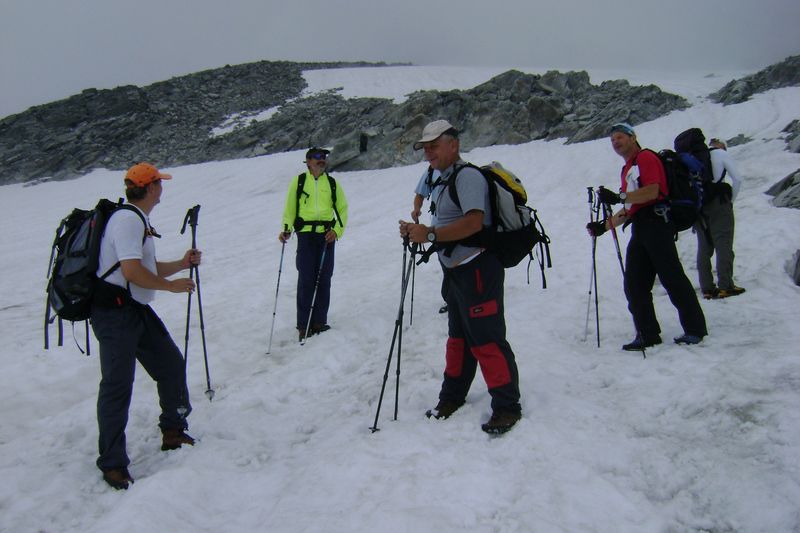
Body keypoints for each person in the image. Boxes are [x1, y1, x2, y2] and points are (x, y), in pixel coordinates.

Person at [398, 119, 522, 434]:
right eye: (425, 147)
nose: (428, 153)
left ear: (453, 144)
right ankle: (452, 396)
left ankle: (507, 406)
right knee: (459, 339)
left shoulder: (466, 177)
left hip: (478, 269)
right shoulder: (441, 178)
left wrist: (429, 234)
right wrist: (419, 232)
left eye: (434, 145)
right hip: (455, 271)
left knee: (486, 339)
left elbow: (473, 224)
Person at [91, 162, 200, 490]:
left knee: (170, 364)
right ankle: (112, 463)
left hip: (133, 309)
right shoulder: (126, 220)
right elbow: (131, 271)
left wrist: (181, 264)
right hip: (115, 314)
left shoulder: (135, 218)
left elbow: (144, 267)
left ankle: (173, 430)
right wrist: (172, 286)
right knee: (117, 385)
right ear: (151, 187)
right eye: (159, 183)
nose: (162, 188)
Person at [586, 123, 708, 351]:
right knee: (634, 284)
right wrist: (603, 226)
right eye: (612, 140)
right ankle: (647, 333)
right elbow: (630, 206)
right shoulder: (628, 169)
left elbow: (654, 191)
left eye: (620, 137)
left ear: (633, 137)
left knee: (672, 277)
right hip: (641, 226)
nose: (616, 142)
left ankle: (695, 329)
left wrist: (619, 196)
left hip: (657, 224)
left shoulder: (646, 158)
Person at [279, 147, 348, 341]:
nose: (322, 160)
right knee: (307, 278)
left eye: (324, 157)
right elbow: (290, 208)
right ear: (308, 161)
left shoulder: (332, 184)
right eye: (317, 157)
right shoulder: (299, 181)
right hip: (306, 236)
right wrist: (286, 228)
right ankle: (304, 324)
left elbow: (342, 209)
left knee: (324, 278)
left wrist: (337, 231)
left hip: (326, 236)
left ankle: (319, 321)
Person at [697, 137, 745, 299]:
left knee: (704, 248)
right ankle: (726, 286)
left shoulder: (695, 158)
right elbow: (737, 179)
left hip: (698, 207)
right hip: (719, 204)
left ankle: (707, 288)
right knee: (723, 243)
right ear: (723, 146)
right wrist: (730, 201)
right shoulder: (721, 154)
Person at [412, 165, 448, 314]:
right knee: (446, 264)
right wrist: (416, 209)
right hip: (437, 227)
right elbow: (420, 194)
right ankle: (452, 299)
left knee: (456, 264)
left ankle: (457, 299)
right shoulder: (431, 171)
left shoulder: (462, 172)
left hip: (455, 228)